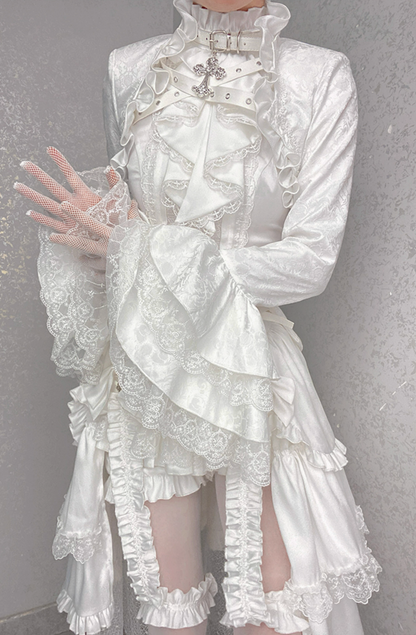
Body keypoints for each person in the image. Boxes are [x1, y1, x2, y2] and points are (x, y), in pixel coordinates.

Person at [15, 1, 382, 634]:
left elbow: (309, 262)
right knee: (169, 605)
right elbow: (130, 236)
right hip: (146, 359)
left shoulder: (319, 75)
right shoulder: (129, 68)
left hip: (252, 363)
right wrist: (104, 236)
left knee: (277, 606)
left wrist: (139, 252)